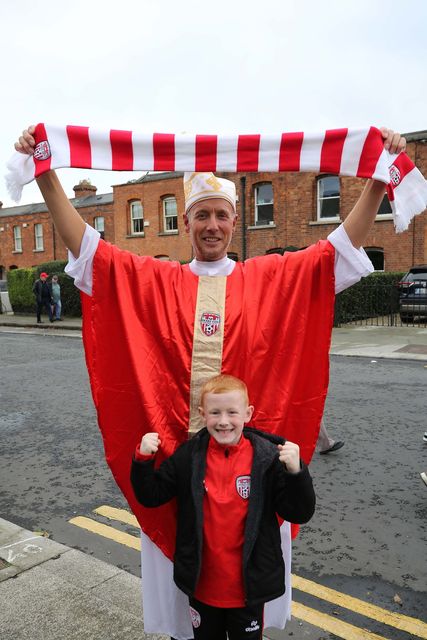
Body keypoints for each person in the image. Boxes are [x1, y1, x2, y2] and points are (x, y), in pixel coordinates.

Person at [14, 125, 406, 638]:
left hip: (250, 478)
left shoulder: (268, 279)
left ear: (235, 220)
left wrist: (378, 178)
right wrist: (46, 174)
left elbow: (336, 250)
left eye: (222, 215)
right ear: (187, 222)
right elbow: (87, 248)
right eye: (202, 214)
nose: (213, 225)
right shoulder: (157, 281)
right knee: (189, 610)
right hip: (184, 472)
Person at [131, 374, 315, 640]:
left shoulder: (266, 458)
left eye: (232, 412)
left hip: (249, 590)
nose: (224, 421)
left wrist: (297, 473)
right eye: (215, 412)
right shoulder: (189, 456)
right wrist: (143, 459)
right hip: (203, 587)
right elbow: (151, 496)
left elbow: (299, 512)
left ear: (248, 413)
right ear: (203, 415)